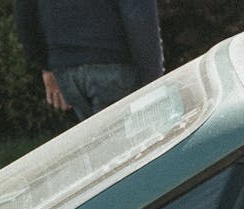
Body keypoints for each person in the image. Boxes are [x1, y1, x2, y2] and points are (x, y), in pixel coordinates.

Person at [15, 0, 165, 121]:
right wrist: (153, 79)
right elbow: (138, 16)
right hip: (113, 66)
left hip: (67, 72)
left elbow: (25, 16)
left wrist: (46, 66)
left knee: (102, 148)